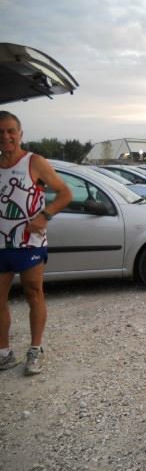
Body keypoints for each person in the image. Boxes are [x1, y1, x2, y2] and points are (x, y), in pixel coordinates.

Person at [0, 111, 72, 376]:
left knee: (33, 293)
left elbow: (65, 193)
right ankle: (4, 353)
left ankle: (35, 349)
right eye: (0, 132)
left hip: (30, 242)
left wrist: (45, 216)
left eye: (10, 131)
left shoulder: (34, 162)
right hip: (1, 245)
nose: (6, 136)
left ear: (20, 133)